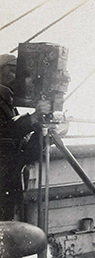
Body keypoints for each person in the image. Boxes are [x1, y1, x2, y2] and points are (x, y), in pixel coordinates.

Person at [0, 54, 51, 221]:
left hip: (9, 184)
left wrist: (41, 130)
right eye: (13, 71)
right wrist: (33, 119)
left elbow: (26, 154)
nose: (19, 79)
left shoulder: (9, 106)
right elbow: (4, 133)